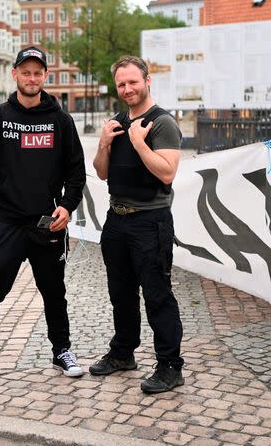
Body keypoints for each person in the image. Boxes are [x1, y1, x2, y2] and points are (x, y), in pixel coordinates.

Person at [0, 45, 87, 386]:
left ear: (45, 76)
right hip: (6, 220)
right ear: (14, 74)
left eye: (38, 73)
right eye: (25, 72)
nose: (32, 78)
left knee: (54, 291)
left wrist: (67, 205)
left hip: (46, 220)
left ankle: (62, 350)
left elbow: (76, 172)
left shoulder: (60, 120)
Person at [90, 55, 185, 394]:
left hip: (150, 221)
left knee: (158, 295)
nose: (127, 88)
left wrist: (139, 141)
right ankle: (123, 353)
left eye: (133, 81)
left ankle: (170, 366)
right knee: (121, 293)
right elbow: (101, 172)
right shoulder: (116, 122)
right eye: (121, 84)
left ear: (147, 81)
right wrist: (104, 142)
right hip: (117, 220)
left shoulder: (162, 123)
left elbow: (167, 172)